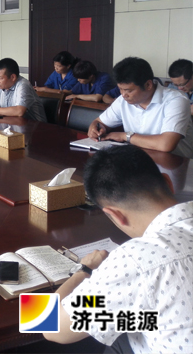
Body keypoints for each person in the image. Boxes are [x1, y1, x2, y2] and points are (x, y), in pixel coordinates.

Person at [43, 145, 193, 354]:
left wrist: (84, 270)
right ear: (168, 182)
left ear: (114, 214)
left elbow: (48, 326)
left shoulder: (136, 260)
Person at [88, 57, 193, 158]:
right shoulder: (122, 100)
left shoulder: (176, 100)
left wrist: (125, 136)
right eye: (120, 89)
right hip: (137, 160)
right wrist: (96, 128)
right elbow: (99, 122)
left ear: (148, 85)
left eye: (129, 90)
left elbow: (166, 144)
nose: (123, 95)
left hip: (174, 164)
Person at [0, 58, 47, 122]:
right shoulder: (0, 85)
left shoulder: (23, 85)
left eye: (0, 78)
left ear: (13, 77)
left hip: (37, 129)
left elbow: (19, 111)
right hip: (13, 126)